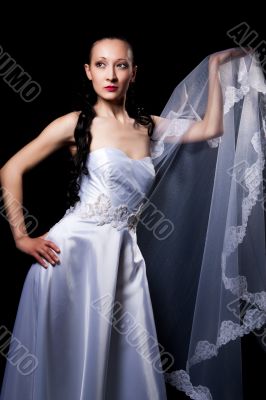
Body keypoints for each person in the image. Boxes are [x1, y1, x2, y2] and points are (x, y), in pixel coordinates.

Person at [0, 35, 265, 400]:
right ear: (89, 72)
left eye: (120, 65)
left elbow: (209, 129)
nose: (111, 74)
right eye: (102, 64)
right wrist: (21, 236)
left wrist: (215, 68)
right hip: (70, 256)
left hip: (123, 257)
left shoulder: (148, 127)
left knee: (118, 365)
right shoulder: (74, 124)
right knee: (66, 359)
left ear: (133, 73)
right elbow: (11, 168)